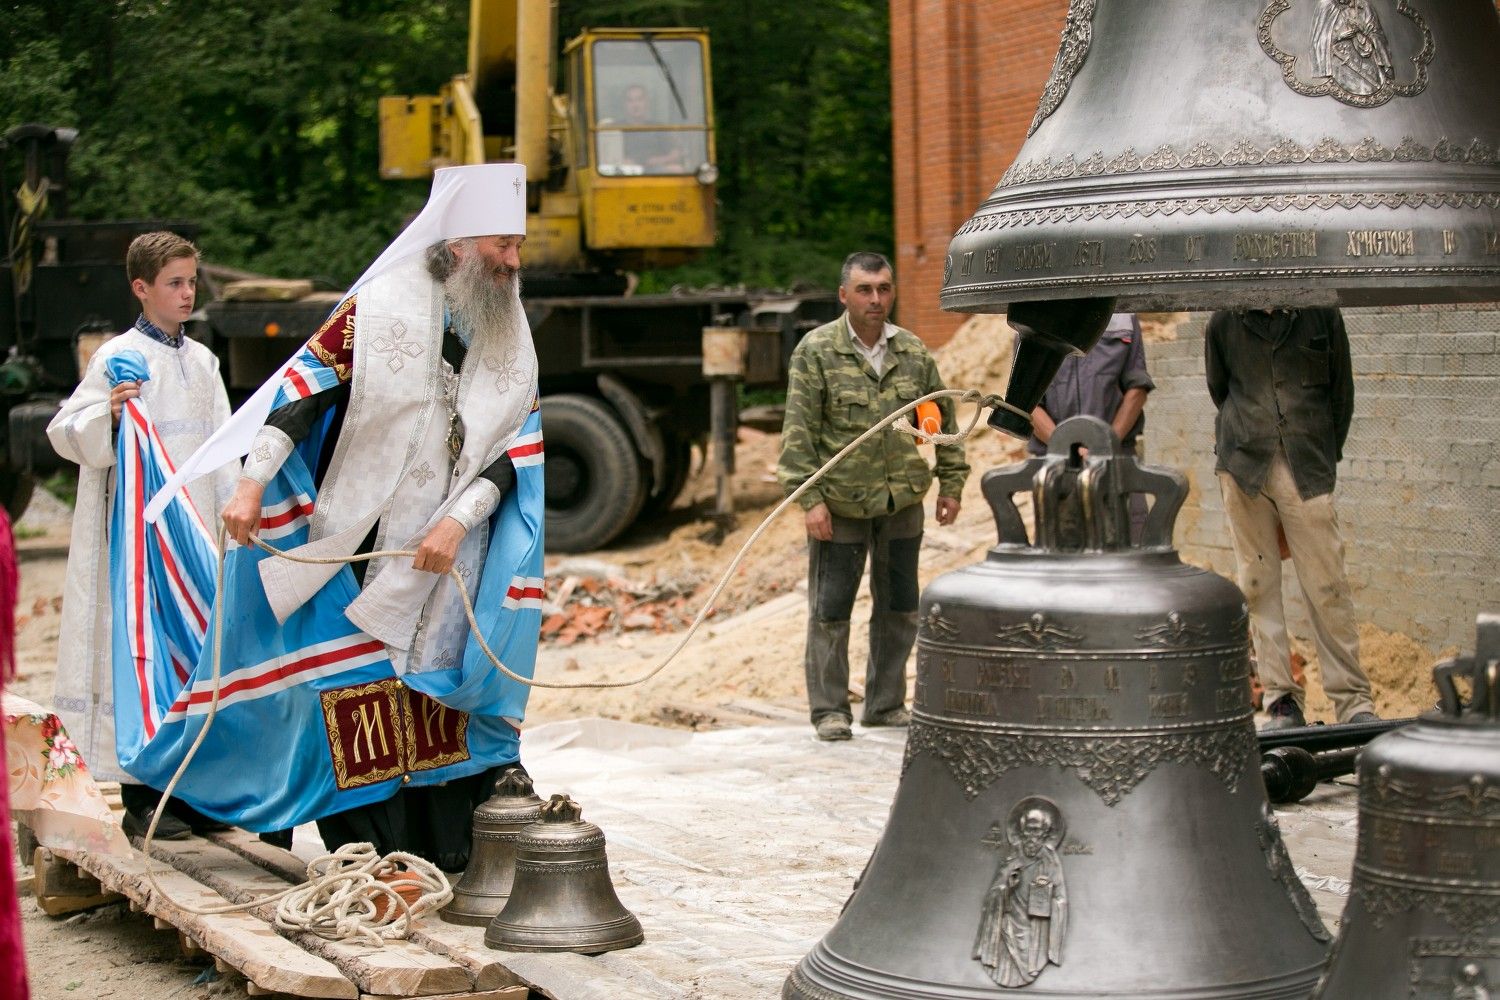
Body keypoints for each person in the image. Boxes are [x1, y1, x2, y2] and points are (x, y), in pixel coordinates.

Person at [198, 162, 543, 868]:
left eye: (518, 246)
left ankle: (448, 844)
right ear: (456, 244)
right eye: (502, 245)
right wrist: (251, 483)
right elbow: (303, 390)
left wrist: (457, 521)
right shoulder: (376, 306)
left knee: (440, 694)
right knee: (359, 696)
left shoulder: (510, 323)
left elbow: (521, 448)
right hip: (366, 541)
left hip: (457, 550)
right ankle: (373, 851)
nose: (514, 262)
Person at [47, 231, 238, 839]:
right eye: (174, 283)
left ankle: (192, 792)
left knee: (196, 653)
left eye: (191, 282)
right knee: (144, 654)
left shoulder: (203, 362)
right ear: (141, 287)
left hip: (193, 535)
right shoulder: (118, 357)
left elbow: (222, 449)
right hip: (140, 541)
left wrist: (232, 516)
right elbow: (63, 430)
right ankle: (142, 795)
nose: (187, 293)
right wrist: (106, 414)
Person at [778, 251, 969, 742]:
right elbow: (798, 433)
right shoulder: (817, 351)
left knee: (900, 608)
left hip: (900, 502)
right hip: (841, 505)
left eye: (884, 288)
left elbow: (944, 420)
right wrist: (810, 500)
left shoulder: (913, 352)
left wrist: (951, 484)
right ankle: (830, 711)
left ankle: (884, 705)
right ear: (844, 295)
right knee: (831, 611)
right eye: (865, 290)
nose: (876, 299)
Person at [1205, 307, 1378, 730]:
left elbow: (1341, 393)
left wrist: (1322, 456)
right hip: (1243, 466)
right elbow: (1220, 388)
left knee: (1327, 584)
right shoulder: (1224, 320)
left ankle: (1353, 702)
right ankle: (1281, 700)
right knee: (1257, 586)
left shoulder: (1321, 313)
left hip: (1307, 462)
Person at [1027, 312, 1154, 539]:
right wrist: (1067, 446)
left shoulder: (1124, 318)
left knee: (1131, 550)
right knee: (1061, 553)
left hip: (1116, 461)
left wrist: (1104, 446)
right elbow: (1028, 402)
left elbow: (1137, 390)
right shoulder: (1030, 321)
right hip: (1056, 465)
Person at [619, 83, 684, 172]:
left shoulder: (658, 128)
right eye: (630, 100)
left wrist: (655, 161)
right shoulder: (615, 129)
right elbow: (607, 156)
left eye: (639, 99)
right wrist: (623, 162)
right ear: (624, 104)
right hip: (624, 173)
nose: (635, 105)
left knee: (677, 169)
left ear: (647, 102)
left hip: (656, 172)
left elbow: (675, 154)